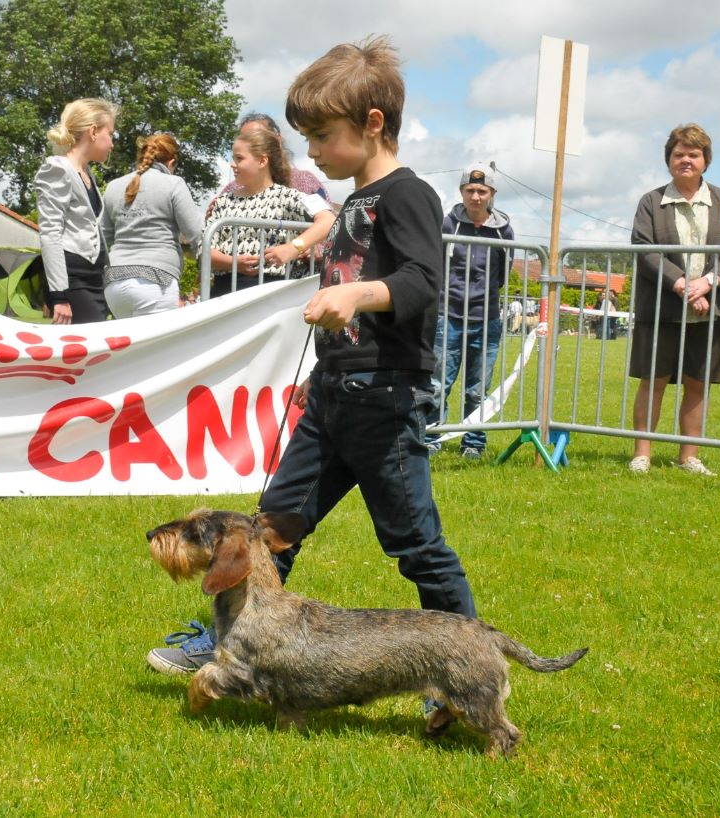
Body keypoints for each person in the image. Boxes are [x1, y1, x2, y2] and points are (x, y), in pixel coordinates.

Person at [147, 36, 479, 690]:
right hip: (333, 400)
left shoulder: (408, 196)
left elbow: (421, 282)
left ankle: (463, 666)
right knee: (272, 530)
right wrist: (318, 374)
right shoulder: (353, 201)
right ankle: (224, 643)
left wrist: (356, 293)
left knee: (417, 547)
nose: (314, 152)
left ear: (372, 125)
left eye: (322, 136)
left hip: (387, 404)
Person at [628, 123, 720, 477]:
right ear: (668, 160)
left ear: (705, 161)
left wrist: (708, 284)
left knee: (698, 382)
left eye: (693, 154)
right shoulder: (651, 202)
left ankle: (689, 457)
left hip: (710, 309)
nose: (685, 160)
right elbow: (645, 249)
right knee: (654, 380)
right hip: (662, 310)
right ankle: (642, 454)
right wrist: (681, 284)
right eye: (678, 154)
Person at [425, 162, 513, 459]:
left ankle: (473, 443)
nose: (476, 196)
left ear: (492, 194)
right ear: (462, 192)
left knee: (477, 389)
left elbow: (502, 274)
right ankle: (431, 437)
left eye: (482, 191)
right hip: (446, 316)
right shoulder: (447, 224)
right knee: (439, 383)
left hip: (486, 319)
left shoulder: (503, 230)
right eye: (470, 190)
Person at [205, 127, 334, 297]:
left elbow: (329, 220)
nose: (232, 164)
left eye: (239, 158)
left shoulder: (290, 196)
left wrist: (294, 247)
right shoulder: (222, 201)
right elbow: (204, 250)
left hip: (271, 296)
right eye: (233, 158)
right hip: (223, 293)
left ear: (262, 161)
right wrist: (233, 262)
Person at [34, 98, 118, 324]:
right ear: (93, 132)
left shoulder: (87, 173)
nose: (111, 143)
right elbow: (50, 233)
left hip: (95, 279)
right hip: (73, 282)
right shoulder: (57, 168)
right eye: (110, 134)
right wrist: (59, 296)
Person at [100, 133, 203, 318]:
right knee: (159, 346)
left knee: (130, 346)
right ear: (171, 163)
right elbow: (196, 233)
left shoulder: (114, 186)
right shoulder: (173, 184)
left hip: (114, 282)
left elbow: (104, 236)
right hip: (156, 281)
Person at [217, 112, 329, 202]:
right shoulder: (230, 193)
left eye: (258, 137)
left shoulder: (305, 183)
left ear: (277, 139)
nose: (250, 143)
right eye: (244, 138)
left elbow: (329, 222)